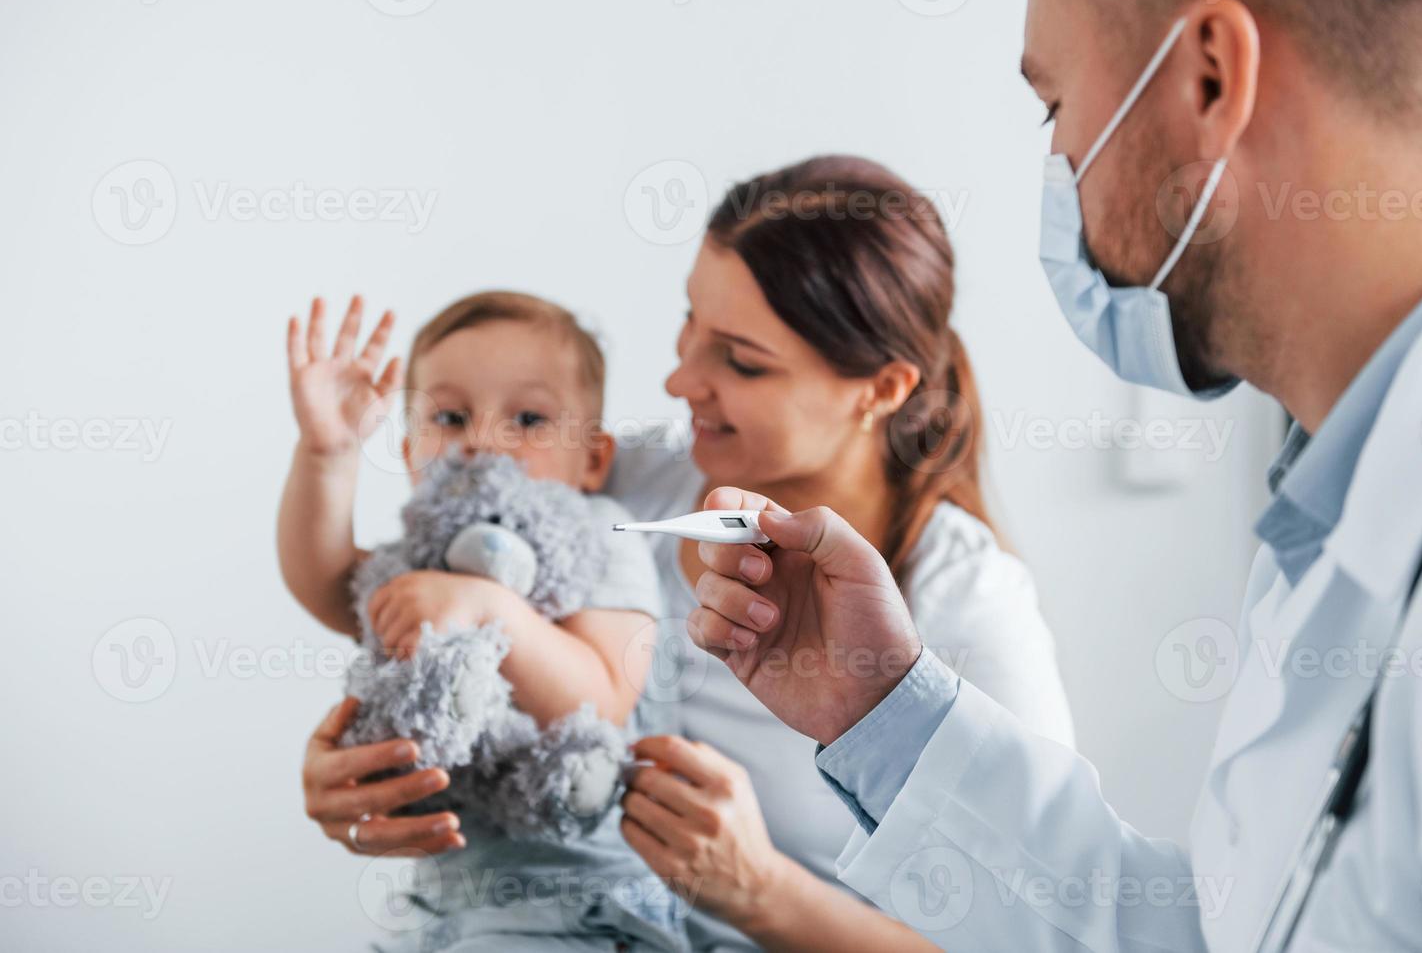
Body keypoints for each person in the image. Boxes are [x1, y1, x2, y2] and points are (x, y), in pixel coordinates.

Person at [685, 0, 1422, 950]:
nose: (1059, 164)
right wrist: (882, 710)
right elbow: (1206, 936)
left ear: (1211, 80)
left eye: (1054, 106)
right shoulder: (1343, 507)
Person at [299, 156, 1076, 951]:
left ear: (878, 390)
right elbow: (388, 598)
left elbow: (1040, 941)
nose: (677, 379)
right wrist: (357, 781)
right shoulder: (611, 491)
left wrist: (761, 894)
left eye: (740, 360)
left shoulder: (968, 607)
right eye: (689, 325)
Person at [280, 292, 683, 951]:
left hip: (583, 896)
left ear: (594, 458)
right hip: (442, 904)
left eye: (527, 417)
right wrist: (327, 454)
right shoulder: (416, 562)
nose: (482, 442)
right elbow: (322, 582)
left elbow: (600, 699)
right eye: (450, 416)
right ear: (409, 449)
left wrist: (489, 608)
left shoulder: (604, 538)